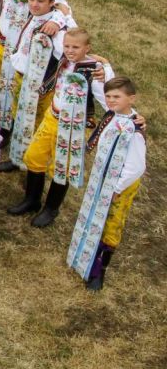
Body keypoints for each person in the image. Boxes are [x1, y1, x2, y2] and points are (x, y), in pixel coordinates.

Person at [22, 29, 114, 229]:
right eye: (67, 46)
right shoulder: (64, 59)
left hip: (73, 127)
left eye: (76, 47)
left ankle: (51, 208)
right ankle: (32, 199)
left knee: (62, 167)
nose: (70, 50)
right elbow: (57, 25)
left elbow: (109, 100)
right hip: (52, 116)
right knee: (34, 156)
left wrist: (106, 68)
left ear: (87, 48)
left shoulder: (93, 73)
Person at [66, 76, 144, 292]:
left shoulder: (134, 130)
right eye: (108, 96)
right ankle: (84, 256)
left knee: (111, 225)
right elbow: (100, 87)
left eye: (116, 97)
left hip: (120, 186)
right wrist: (104, 65)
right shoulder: (113, 115)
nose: (110, 100)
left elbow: (136, 166)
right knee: (94, 216)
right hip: (103, 178)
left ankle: (99, 271)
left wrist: (117, 188)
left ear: (131, 99)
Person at [1, 0, 72, 198]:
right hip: (22, 76)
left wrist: (48, 84)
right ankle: (17, 156)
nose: (34, 4)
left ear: (51, 3)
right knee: (19, 116)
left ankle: (29, 165)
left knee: (33, 123)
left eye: (40, 1)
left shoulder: (55, 30)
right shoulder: (37, 15)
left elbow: (67, 58)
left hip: (39, 85)